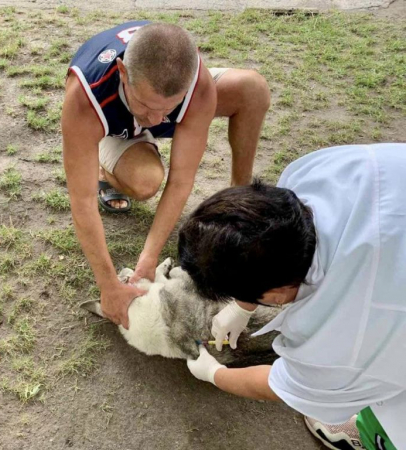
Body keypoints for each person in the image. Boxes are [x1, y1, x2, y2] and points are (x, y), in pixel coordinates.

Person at [178, 143, 406, 449]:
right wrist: (244, 306)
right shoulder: (315, 174)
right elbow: (261, 241)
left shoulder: (343, 340)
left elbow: (282, 384)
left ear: (275, 295)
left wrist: (213, 373)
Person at [62, 21, 270, 329]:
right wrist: (108, 285)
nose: (158, 120)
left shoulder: (195, 85)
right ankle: (109, 169)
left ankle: (240, 201)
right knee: (146, 180)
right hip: (114, 121)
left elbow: (182, 179)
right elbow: (81, 201)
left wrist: (148, 259)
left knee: (252, 89)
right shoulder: (84, 98)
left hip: (171, 94)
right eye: (147, 107)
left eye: (166, 110)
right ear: (122, 72)